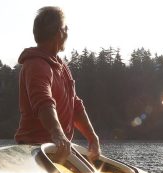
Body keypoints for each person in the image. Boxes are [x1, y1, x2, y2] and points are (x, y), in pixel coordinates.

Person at [15, 6, 101, 163]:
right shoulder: (36, 65)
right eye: (66, 28)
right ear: (59, 32)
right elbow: (43, 102)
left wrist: (92, 137)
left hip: (58, 149)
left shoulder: (61, 66)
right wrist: (58, 134)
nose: (68, 32)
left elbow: (75, 105)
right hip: (35, 152)